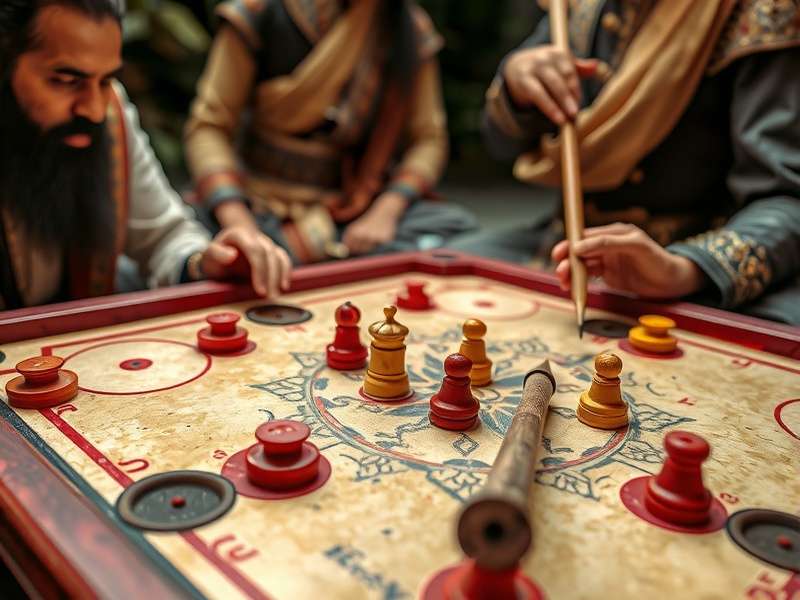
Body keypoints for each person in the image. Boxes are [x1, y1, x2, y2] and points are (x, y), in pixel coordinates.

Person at [454, 0, 800, 324]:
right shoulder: (581, 5)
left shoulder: (761, 11)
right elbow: (499, 144)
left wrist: (684, 268)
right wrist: (518, 85)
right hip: (562, 249)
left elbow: (786, 201)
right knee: (440, 277)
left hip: (691, 266)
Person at [0, 0, 292, 310]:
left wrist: (204, 263)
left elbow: (164, 237)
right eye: (66, 82)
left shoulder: (109, 113)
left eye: (106, 80)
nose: (95, 110)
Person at [184, 0, 476, 264]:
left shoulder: (406, 26)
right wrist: (239, 224)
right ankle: (310, 257)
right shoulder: (258, 13)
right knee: (183, 243)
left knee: (455, 226)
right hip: (258, 206)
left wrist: (385, 211)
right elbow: (208, 128)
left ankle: (305, 256)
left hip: (350, 210)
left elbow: (428, 139)